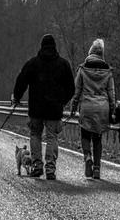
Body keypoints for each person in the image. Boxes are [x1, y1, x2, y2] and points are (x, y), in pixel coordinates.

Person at [12, 33, 74, 179]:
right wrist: (62, 102)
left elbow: (21, 81)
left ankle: (37, 166)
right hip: (54, 109)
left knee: (35, 135)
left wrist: (17, 97)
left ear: (41, 46)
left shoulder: (32, 63)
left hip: (36, 109)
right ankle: (50, 169)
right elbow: (71, 88)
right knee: (52, 137)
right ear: (54, 47)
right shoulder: (63, 64)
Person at [73, 39, 116, 180]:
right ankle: (97, 169)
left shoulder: (83, 69)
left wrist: (73, 107)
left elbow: (77, 91)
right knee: (97, 138)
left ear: (90, 52)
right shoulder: (108, 72)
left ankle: (87, 156)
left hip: (87, 106)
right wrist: (112, 110)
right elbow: (111, 94)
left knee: (85, 134)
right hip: (102, 107)